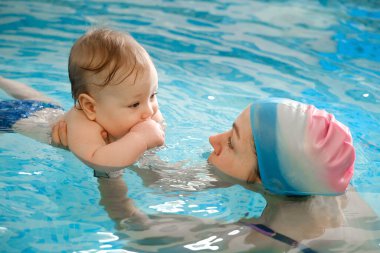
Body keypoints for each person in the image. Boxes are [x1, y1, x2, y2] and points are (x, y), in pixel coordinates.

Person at [0, 28, 165, 176]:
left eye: (152, 95)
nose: (149, 111)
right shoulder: (83, 125)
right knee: (32, 101)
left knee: (36, 99)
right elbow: (102, 164)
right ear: (90, 107)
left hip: (49, 110)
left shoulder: (139, 110)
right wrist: (140, 139)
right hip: (13, 118)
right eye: (135, 104)